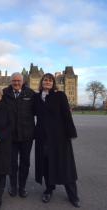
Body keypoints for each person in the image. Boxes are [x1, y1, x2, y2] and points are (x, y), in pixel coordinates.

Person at [34, 73, 80, 208]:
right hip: (43, 137)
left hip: (59, 137)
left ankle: (73, 195)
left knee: (66, 165)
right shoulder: (36, 97)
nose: (47, 82)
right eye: (45, 80)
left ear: (53, 83)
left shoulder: (60, 96)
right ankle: (49, 189)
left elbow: (66, 115)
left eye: (50, 80)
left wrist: (71, 133)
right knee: (47, 164)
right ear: (41, 82)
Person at [3, 72, 35, 197]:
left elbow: (42, 109)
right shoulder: (5, 93)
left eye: (18, 81)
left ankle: (22, 187)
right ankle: (13, 186)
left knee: (25, 162)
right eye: (14, 81)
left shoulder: (30, 94)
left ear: (22, 81)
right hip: (10, 136)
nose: (16, 83)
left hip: (27, 135)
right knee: (12, 163)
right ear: (11, 81)